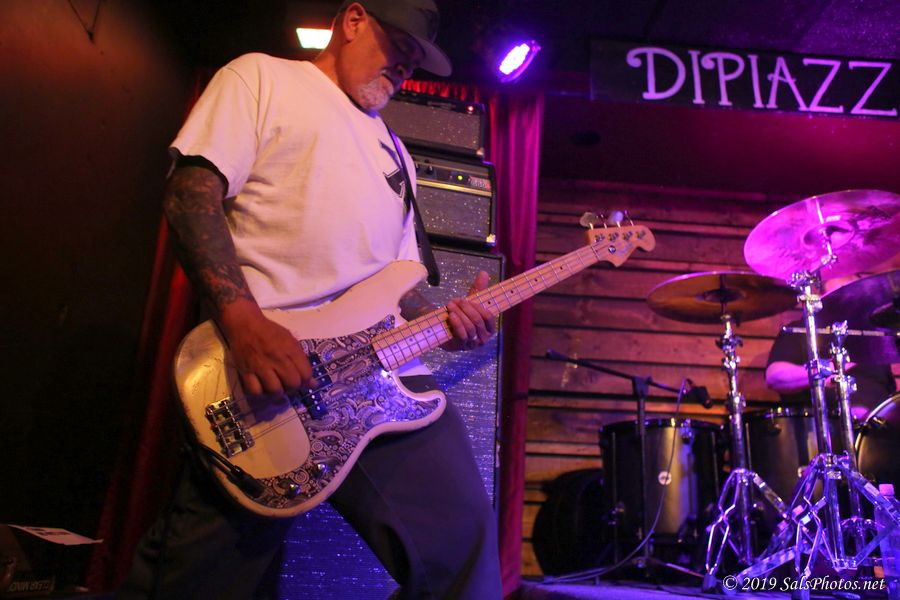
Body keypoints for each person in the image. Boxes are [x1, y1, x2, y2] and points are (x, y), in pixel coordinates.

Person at [117, 1, 503, 598]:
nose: (404, 67)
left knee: (463, 549)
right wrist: (243, 323)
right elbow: (190, 193)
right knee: (204, 579)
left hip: (383, 385)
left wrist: (450, 323)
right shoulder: (261, 77)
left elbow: (393, 289)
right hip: (269, 378)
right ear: (353, 20)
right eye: (397, 46)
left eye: (414, 60)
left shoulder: (396, 154)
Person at [766, 273, 897, 420]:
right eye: (839, 296)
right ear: (821, 299)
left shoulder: (873, 337)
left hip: (880, 424)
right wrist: (828, 369)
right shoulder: (804, 330)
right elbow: (775, 376)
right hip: (828, 423)